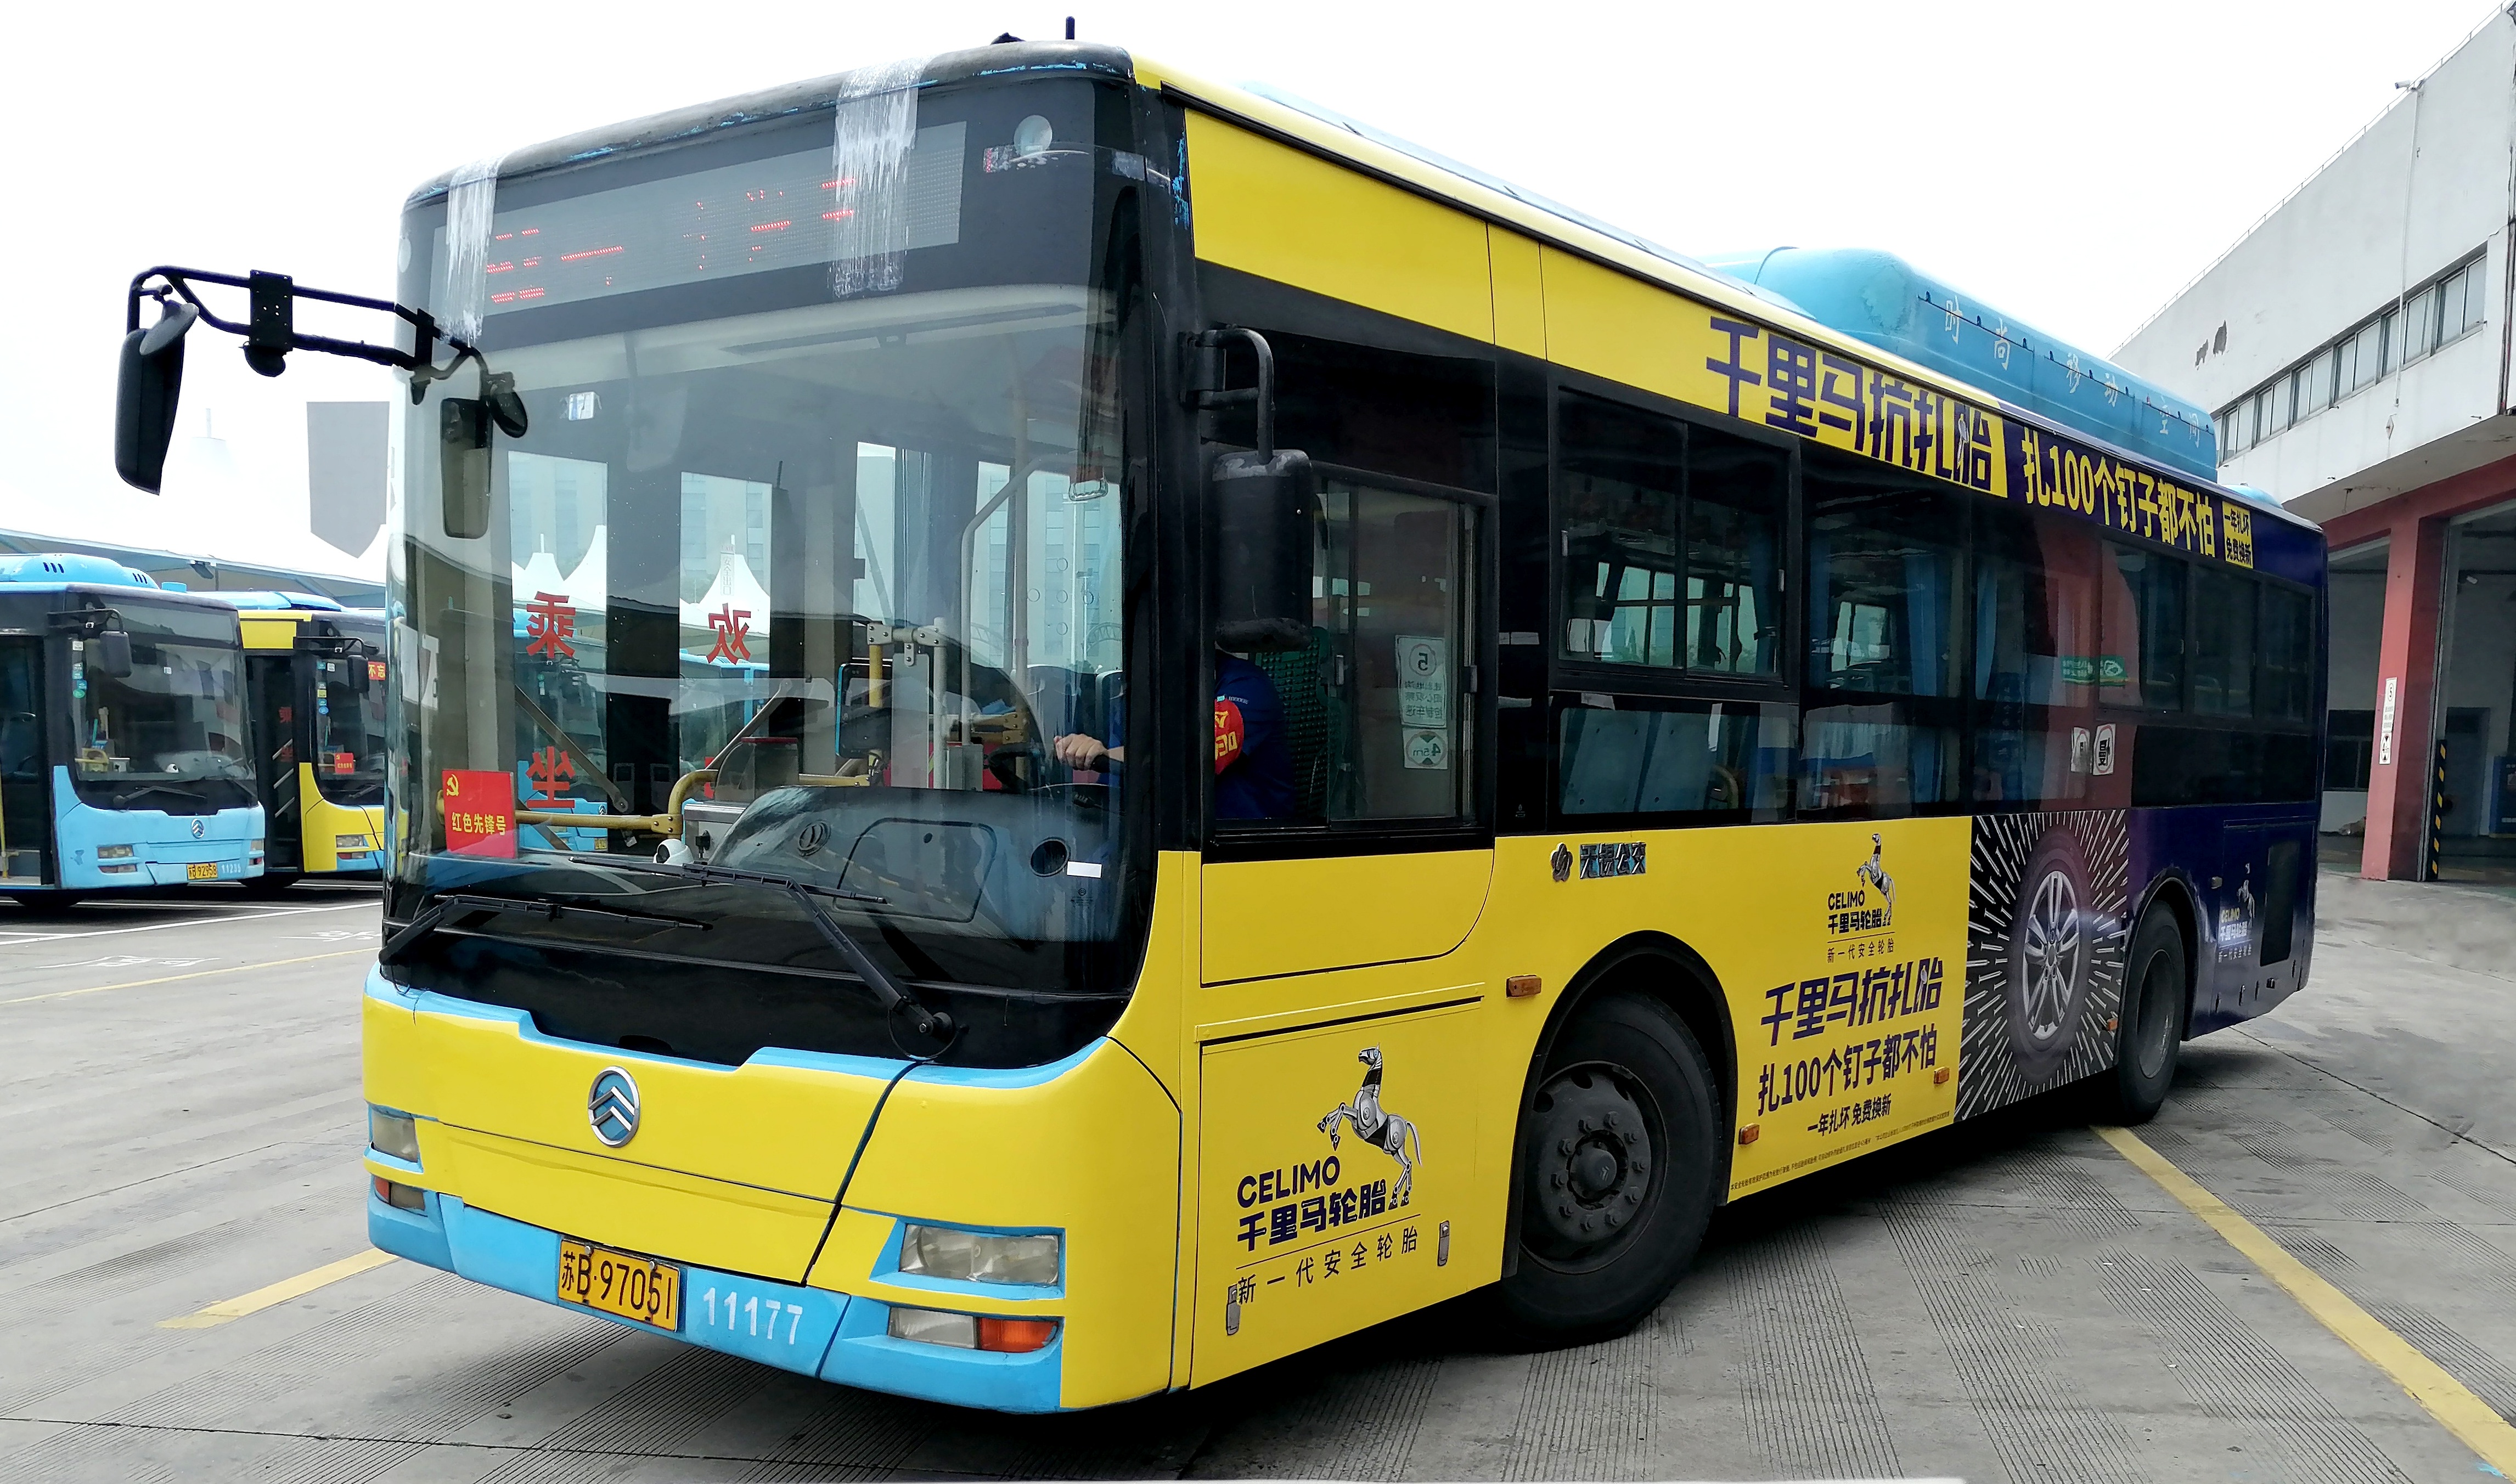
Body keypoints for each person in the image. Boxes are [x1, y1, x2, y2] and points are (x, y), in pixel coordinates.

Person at [1052, 651, 1297, 819]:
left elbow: (1193, 754)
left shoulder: (1246, 686)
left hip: (1238, 851)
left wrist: (1103, 754)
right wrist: (1076, 751)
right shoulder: (1136, 694)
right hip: (1153, 841)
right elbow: (1115, 791)